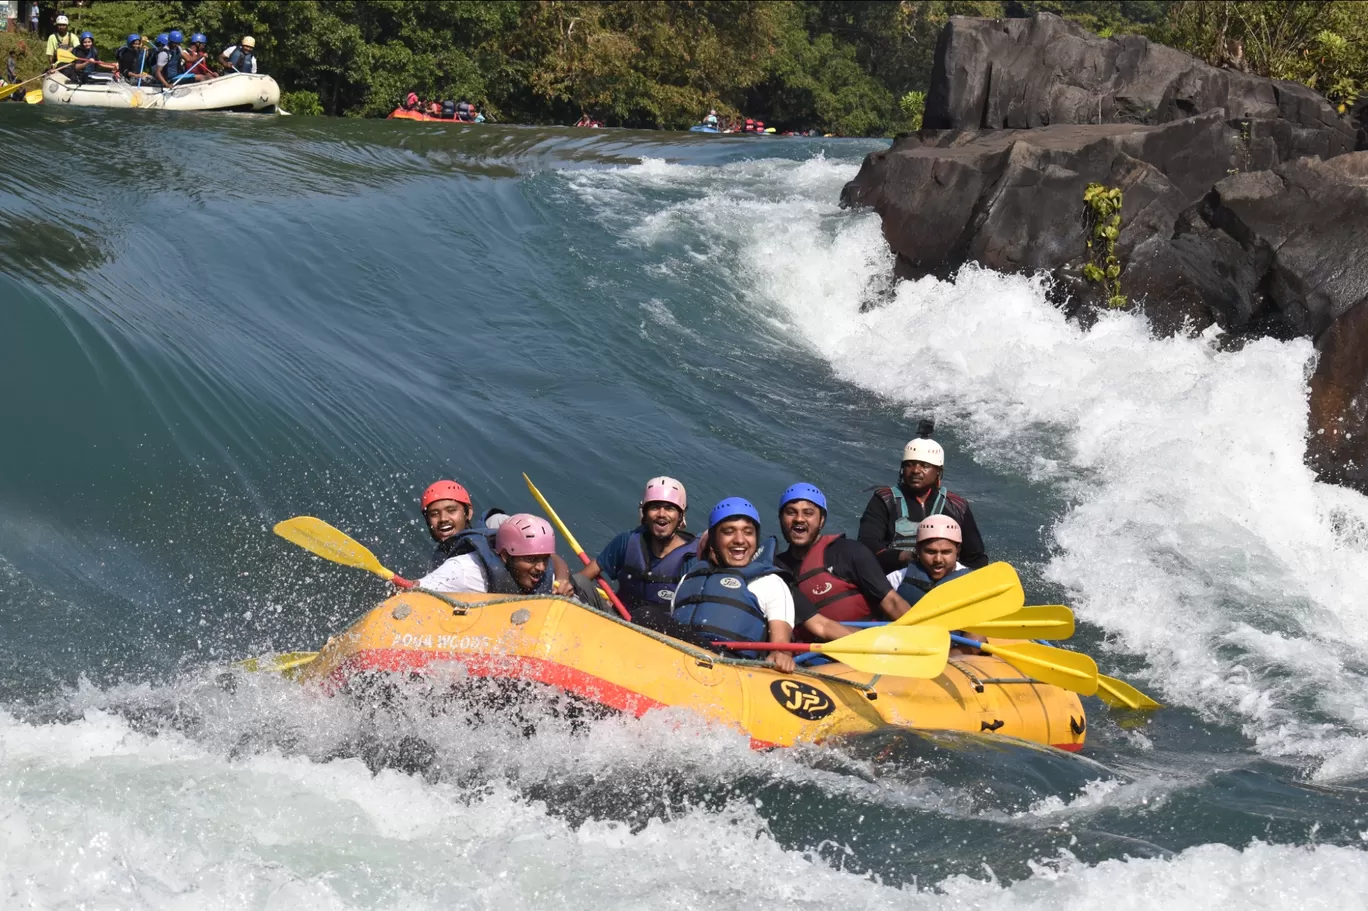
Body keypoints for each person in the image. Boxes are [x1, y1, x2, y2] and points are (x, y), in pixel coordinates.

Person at [671, 498, 817, 673]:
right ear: (714, 540)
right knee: (646, 616)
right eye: (729, 532)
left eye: (748, 532)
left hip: (732, 669)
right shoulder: (689, 578)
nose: (739, 540)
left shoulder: (769, 583)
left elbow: (781, 647)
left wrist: (781, 655)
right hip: (678, 661)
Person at [773, 483, 917, 635]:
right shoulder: (775, 571)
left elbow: (892, 603)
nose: (799, 519)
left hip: (862, 650)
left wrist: (923, 640)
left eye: (808, 513)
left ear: (821, 520)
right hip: (810, 655)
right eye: (791, 512)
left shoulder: (849, 553)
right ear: (781, 518)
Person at [858, 435, 988, 573]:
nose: (915, 470)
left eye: (924, 466)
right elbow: (868, 545)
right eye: (909, 464)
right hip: (895, 580)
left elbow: (975, 558)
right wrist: (906, 557)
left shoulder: (957, 505)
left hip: (944, 582)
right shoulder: (885, 500)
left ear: (938, 471)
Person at [584, 476, 697, 631]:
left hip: (659, 636)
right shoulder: (626, 541)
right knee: (579, 583)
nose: (661, 514)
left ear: (680, 516)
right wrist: (566, 583)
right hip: (617, 618)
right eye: (654, 507)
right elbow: (584, 576)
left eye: (669, 508)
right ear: (644, 513)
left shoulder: (691, 559)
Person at [419, 480, 571, 590]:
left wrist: (563, 579)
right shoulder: (442, 560)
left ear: (468, 513)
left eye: (451, 511)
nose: (443, 519)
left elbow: (545, 555)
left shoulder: (496, 524)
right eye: (434, 514)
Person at [417, 513, 581, 599]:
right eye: (531, 559)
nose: (541, 567)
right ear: (504, 555)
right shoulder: (464, 571)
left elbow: (556, 560)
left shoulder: (544, 575)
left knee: (583, 585)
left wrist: (563, 580)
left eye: (544, 558)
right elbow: (413, 591)